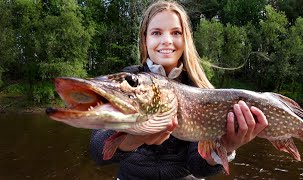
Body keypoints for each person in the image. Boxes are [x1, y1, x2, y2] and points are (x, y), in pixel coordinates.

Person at [90, 1, 268, 179]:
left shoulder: (199, 89)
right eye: (156, 33)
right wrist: (135, 137)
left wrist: (226, 147)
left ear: (185, 40)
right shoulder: (130, 80)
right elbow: (98, 150)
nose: (166, 40)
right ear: (145, 39)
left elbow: (198, 167)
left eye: (176, 33)